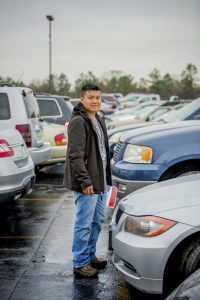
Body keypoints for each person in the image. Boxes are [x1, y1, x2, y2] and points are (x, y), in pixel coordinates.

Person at [64, 83, 112, 278]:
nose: (95, 101)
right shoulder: (78, 121)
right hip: (87, 183)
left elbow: (101, 153)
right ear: (82, 99)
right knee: (84, 223)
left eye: (98, 98)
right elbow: (74, 156)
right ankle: (80, 262)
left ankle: (90, 256)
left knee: (97, 222)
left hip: (101, 182)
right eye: (90, 97)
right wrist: (85, 182)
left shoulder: (99, 119)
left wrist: (107, 179)